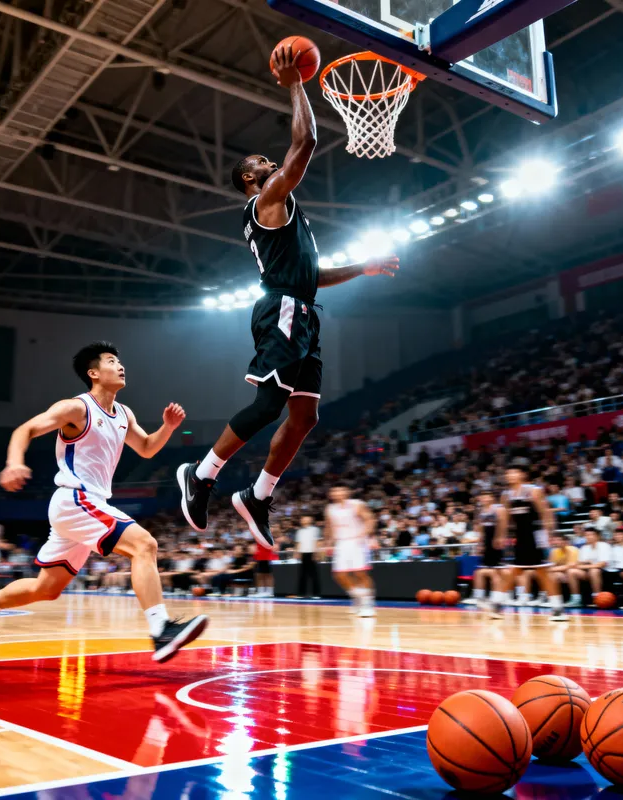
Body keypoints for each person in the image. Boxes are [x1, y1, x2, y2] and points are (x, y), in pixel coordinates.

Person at [176, 42, 398, 549]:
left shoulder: (283, 213)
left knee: (305, 415)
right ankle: (202, 475)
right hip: (282, 309)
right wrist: (296, 82)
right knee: (269, 404)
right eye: (262, 161)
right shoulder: (268, 199)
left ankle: (258, 495)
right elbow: (307, 142)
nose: (271, 160)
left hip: (303, 307)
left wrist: (361, 267)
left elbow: (312, 276)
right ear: (253, 180)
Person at [0, 342, 208, 663]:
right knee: (144, 545)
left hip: (85, 505)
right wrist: (14, 462)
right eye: (112, 361)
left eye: (120, 361)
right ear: (94, 373)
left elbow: (145, 448)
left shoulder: (124, 414)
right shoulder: (77, 408)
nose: (120, 365)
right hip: (76, 498)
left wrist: (168, 428)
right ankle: (161, 629)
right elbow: (26, 428)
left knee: (47, 589)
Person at [498, 464, 568, 621]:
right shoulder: (506, 495)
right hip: (520, 537)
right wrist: (502, 535)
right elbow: (505, 519)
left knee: (542, 572)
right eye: (508, 473)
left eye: (514, 472)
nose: (510, 475)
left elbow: (545, 513)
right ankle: (497, 604)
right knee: (514, 571)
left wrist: (550, 533)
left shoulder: (533, 490)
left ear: (522, 475)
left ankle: (558, 608)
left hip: (536, 535)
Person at [324, 485, 377, 617]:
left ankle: (367, 605)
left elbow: (370, 519)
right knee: (339, 575)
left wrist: (367, 535)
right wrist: (327, 543)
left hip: (357, 541)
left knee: (360, 573)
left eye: (340, 490)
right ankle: (358, 596)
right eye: (335, 490)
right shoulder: (330, 509)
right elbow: (329, 527)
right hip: (341, 543)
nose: (337, 492)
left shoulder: (357, 505)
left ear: (347, 492)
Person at [471, 491, 508, 618]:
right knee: (483, 572)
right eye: (482, 496)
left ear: (492, 498)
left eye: (487, 496)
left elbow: (503, 524)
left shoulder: (498, 508)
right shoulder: (481, 511)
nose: (484, 498)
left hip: (496, 543)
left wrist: (499, 537)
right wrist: (480, 543)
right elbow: (481, 528)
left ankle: (497, 603)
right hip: (487, 544)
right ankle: (481, 599)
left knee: (496, 573)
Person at [567, 528, 611, 607]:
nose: (588, 537)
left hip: (604, 571)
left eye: (591, 535)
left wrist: (585, 565)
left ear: (597, 536)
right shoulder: (584, 548)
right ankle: (576, 599)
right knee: (571, 571)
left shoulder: (604, 545)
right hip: (588, 571)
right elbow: (578, 564)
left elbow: (601, 565)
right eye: (586, 535)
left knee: (594, 571)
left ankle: (597, 598)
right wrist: (580, 565)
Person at [295, 515, 321, 598]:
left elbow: (316, 542)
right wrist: (297, 552)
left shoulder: (315, 530)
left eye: (305, 519)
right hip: (303, 553)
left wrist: (316, 553)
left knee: (314, 574)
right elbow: (298, 542)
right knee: (302, 574)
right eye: (302, 519)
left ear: (310, 520)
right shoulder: (300, 531)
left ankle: (316, 594)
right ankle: (301, 593)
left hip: (311, 552)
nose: (303, 520)